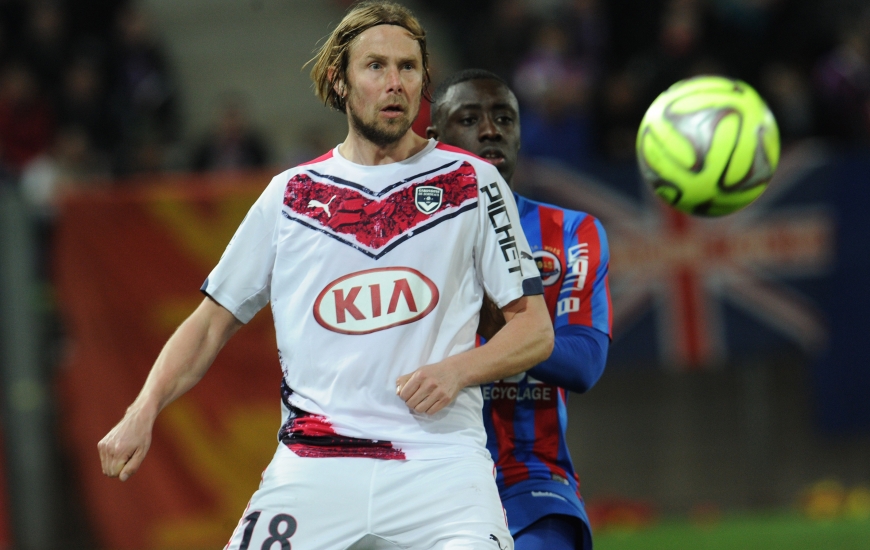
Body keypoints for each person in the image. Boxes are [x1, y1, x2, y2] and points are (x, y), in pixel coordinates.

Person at [98, 3, 553, 549]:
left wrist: (458, 370)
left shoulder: (472, 183)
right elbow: (209, 323)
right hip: (312, 465)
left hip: (440, 463)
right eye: (376, 66)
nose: (394, 83)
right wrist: (142, 410)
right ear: (340, 80)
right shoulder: (289, 196)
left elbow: (534, 329)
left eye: (408, 68)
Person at [428, 69, 611, 550]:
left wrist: (501, 323)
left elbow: (584, 362)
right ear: (433, 138)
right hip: (423, 473)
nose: (490, 130)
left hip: (526, 478)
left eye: (504, 118)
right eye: (469, 118)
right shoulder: (398, 241)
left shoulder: (570, 232)